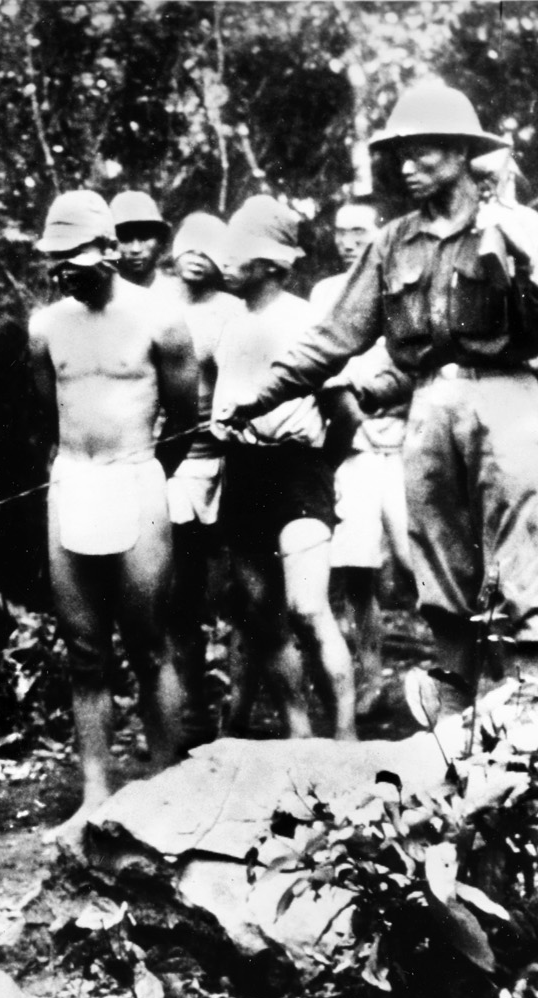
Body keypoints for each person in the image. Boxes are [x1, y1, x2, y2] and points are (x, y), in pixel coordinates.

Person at [217, 83, 538, 714]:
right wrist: (261, 397)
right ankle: (452, 729)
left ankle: (527, 726)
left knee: (518, 571)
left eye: (422, 151)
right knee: (440, 575)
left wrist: (520, 250)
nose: (406, 165)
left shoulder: (515, 227)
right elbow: (336, 335)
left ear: (461, 153)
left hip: (511, 401)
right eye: (401, 154)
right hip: (427, 410)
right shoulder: (392, 242)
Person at [28, 190, 198, 847]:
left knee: (151, 642)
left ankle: (166, 780)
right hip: (72, 480)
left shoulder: (161, 319)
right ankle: (95, 792)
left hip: (136, 477)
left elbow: (185, 418)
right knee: (84, 649)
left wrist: (145, 470)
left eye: (74, 256)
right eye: (55, 258)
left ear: (106, 251)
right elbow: (49, 412)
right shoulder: (46, 326)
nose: (64, 269)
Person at [213, 196, 357, 741]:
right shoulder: (231, 325)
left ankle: (345, 733)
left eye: (240, 254)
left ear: (271, 264)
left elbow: (345, 412)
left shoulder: (304, 320)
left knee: (307, 606)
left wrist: (319, 468)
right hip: (245, 470)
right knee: (261, 612)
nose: (227, 263)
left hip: (300, 469)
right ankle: (299, 734)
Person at [311, 202, 413, 717]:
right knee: (357, 573)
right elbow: (319, 368)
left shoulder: (403, 281)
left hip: (407, 442)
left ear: (377, 234)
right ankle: (370, 676)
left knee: (423, 565)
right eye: (341, 232)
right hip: (352, 447)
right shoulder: (325, 293)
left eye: (359, 231)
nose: (349, 241)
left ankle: (470, 674)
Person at [157, 212, 243, 748]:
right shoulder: (155, 306)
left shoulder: (233, 312)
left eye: (211, 249)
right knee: (177, 594)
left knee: (232, 592)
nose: (197, 256)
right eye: (190, 245)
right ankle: (187, 709)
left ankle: (237, 710)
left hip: (228, 460)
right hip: (171, 463)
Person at [110, 191, 171, 288]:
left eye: (144, 237)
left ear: (160, 241)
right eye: (125, 238)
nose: (136, 249)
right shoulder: (102, 295)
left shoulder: (174, 292)